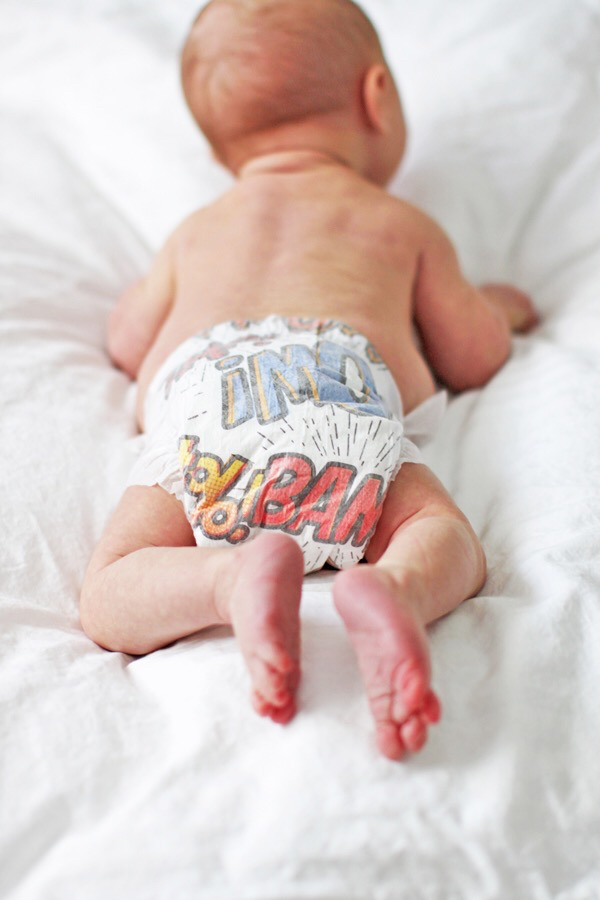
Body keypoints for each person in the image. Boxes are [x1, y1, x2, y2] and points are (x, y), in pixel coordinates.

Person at [80, 0, 537, 760]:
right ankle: (396, 588)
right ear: (376, 95)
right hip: (337, 394)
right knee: (440, 534)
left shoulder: (196, 231)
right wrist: (501, 309)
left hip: (207, 407)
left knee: (109, 588)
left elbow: (128, 341)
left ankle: (227, 580)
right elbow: (475, 355)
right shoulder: (398, 223)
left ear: (220, 146)